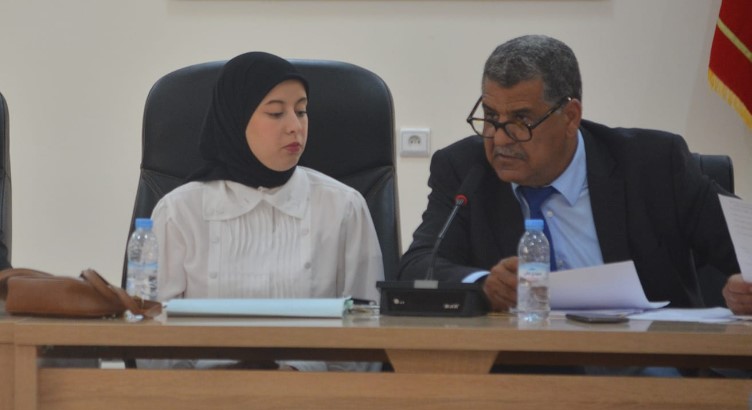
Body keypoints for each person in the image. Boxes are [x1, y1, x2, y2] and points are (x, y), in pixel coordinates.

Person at [398, 35, 742, 374]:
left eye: (520, 120)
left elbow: (745, 246)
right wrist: (484, 283)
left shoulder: (653, 164)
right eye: (490, 116)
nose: (499, 138)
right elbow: (418, 264)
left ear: (570, 116)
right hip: (520, 374)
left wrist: (746, 287)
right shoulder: (464, 169)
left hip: (649, 364)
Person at [145, 51, 384, 371]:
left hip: (316, 396)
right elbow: (154, 339)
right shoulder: (179, 212)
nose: (295, 127)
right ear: (235, 119)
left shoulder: (344, 207)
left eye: (301, 111)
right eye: (275, 113)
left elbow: (366, 330)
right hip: (202, 395)